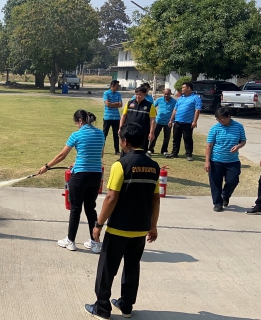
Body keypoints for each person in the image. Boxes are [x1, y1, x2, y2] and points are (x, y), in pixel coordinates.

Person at [84, 122, 160, 320]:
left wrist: (98, 224)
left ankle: (101, 308)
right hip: (141, 229)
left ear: (125, 141)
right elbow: (155, 198)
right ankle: (126, 306)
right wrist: (153, 226)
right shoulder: (153, 166)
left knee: (107, 269)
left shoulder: (121, 165)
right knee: (132, 267)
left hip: (119, 228)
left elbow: (111, 197)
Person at [38, 110, 105, 253]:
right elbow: (99, 155)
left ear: (80, 121)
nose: (76, 125)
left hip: (80, 177)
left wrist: (47, 166)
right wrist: (78, 162)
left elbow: (62, 155)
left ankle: (70, 241)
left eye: (76, 123)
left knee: (75, 209)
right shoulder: (100, 133)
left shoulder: (77, 134)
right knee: (90, 208)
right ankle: (95, 243)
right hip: (96, 176)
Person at [204, 107, 246, 212]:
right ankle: (217, 203)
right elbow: (209, 145)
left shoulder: (238, 126)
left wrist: (238, 147)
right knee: (215, 182)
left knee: (233, 180)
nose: (220, 121)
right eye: (217, 119)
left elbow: (243, 141)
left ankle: (225, 195)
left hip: (232, 161)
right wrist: (207, 161)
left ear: (229, 116)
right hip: (216, 160)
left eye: (222, 118)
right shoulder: (215, 128)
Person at [166, 82, 202, 161]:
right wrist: (171, 120)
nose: (181, 89)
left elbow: (197, 110)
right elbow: (175, 110)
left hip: (188, 123)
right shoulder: (180, 98)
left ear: (188, 88)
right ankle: (174, 153)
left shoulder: (196, 98)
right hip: (177, 122)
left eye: (183, 87)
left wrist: (195, 121)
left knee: (187, 138)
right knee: (176, 138)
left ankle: (189, 154)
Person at [119, 86, 156, 152]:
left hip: (141, 133)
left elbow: (152, 120)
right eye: (136, 94)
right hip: (128, 132)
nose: (138, 96)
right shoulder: (129, 103)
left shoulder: (150, 106)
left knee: (141, 151)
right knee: (126, 150)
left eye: (140, 95)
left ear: (145, 95)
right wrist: (120, 128)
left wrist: (151, 133)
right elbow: (124, 116)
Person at [148, 88, 177, 155]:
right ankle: (150, 149)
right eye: (165, 94)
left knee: (167, 137)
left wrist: (172, 120)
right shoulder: (159, 100)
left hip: (168, 122)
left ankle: (164, 150)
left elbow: (175, 111)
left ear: (170, 94)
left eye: (167, 94)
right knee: (154, 135)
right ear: (163, 93)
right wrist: (154, 114)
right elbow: (153, 107)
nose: (166, 95)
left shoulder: (174, 101)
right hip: (158, 121)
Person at [103, 80, 123, 155]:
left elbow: (121, 105)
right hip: (107, 117)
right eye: (117, 86)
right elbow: (107, 104)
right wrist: (116, 103)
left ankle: (117, 150)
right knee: (104, 134)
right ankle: (101, 149)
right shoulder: (106, 93)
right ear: (112, 85)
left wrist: (112, 104)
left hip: (116, 118)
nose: (118, 87)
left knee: (116, 134)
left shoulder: (118, 94)